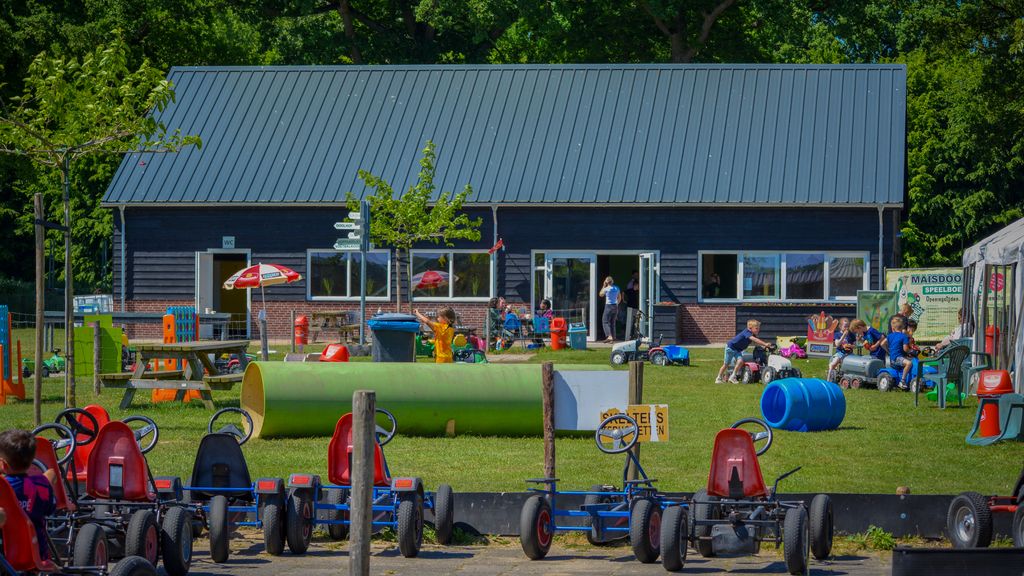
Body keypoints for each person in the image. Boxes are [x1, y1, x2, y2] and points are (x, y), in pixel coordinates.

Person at [0, 429, 57, 559]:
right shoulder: (41, 484)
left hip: (4, 557)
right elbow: (50, 509)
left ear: (2, 464)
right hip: (35, 556)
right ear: (32, 462)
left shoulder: (2, 486)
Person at [716, 319, 773, 384]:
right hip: (730, 348)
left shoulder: (752, 334)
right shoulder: (747, 332)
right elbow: (754, 339)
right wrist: (765, 343)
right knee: (726, 364)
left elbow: (755, 342)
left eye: (758, 328)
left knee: (740, 361)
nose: (758, 330)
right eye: (756, 328)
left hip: (737, 350)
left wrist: (765, 346)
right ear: (750, 328)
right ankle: (718, 378)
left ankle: (733, 376)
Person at [879, 316, 913, 389]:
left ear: (893, 328)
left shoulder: (890, 336)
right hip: (897, 359)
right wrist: (911, 351)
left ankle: (908, 378)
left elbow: (882, 344)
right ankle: (902, 381)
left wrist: (888, 351)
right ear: (903, 328)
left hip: (892, 358)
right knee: (909, 363)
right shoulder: (904, 336)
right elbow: (905, 349)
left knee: (910, 360)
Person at [599, 276, 622, 342]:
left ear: (606, 282)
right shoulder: (617, 288)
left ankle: (609, 336)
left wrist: (603, 286)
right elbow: (619, 298)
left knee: (605, 321)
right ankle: (613, 338)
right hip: (615, 306)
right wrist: (616, 304)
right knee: (612, 322)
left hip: (608, 306)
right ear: (612, 281)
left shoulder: (606, 289)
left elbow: (600, 294)